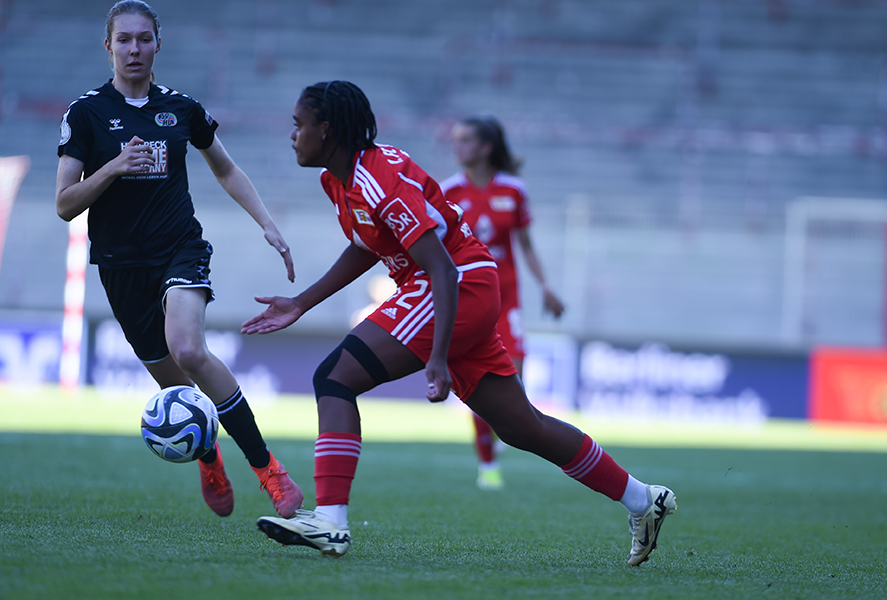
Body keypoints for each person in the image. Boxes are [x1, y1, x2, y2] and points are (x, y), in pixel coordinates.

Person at [242, 80, 677, 566]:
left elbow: (443, 268)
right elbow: (367, 246)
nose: (293, 135)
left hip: (454, 284)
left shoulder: (378, 179)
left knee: (334, 377)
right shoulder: (339, 180)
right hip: (455, 286)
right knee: (522, 427)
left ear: (327, 129)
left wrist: (437, 357)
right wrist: (302, 302)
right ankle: (643, 499)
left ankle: (331, 521)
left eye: (299, 125)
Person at [55, 0, 302, 519]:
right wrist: (114, 167)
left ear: (158, 44)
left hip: (179, 248)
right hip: (120, 264)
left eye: (144, 39)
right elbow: (65, 204)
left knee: (188, 349)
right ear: (108, 46)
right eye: (124, 39)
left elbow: (226, 169)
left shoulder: (182, 108)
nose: (134, 49)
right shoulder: (85, 114)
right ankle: (209, 458)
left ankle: (270, 472)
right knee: (173, 382)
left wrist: (267, 222)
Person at [441, 115, 565, 491]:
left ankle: (499, 433)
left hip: (506, 297)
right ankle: (488, 464)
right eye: (455, 140)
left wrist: (546, 286)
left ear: (486, 148)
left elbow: (525, 245)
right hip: (468, 296)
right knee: (481, 382)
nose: (457, 146)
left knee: (513, 381)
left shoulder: (513, 190)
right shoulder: (447, 191)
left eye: (465, 140)